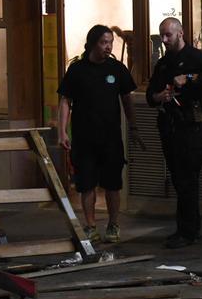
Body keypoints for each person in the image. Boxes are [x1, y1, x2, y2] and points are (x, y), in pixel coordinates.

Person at [57, 25, 142, 244]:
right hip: (84, 138)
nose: (108, 47)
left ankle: (113, 224)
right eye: (104, 42)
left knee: (113, 185)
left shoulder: (117, 68)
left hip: (111, 138)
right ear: (93, 44)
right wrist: (62, 131)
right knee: (86, 185)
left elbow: (127, 99)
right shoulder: (77, 70)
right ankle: (90, 226)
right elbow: (65, 100)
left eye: (110, 42)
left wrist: (133, 126)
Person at [147, 17, 202, 249]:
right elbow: (151, 93)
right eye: (162, 35)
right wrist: (158, 96)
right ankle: (188, 228)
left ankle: (188, 231)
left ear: (180, 33)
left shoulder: (195, 57)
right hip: (169, 126)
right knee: (178, 179)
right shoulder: (163, 63)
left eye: (168, 35)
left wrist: (190, 78)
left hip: (190, 127)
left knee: (187, 179)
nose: (164, 39)